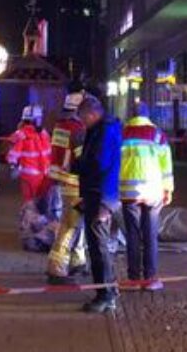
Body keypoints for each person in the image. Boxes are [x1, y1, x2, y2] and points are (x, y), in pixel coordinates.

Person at [119, 103, 173, 291]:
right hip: (152, 192)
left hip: (128, 193)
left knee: (132, 235)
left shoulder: (122, 134)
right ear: (148, 115)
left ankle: (133, 279)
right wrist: (168, 189)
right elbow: (166, 165)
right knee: (150, 235)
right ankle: (150, 278)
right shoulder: (158, 135)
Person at [76, 96, 122, 314]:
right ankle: (108, 290)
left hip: (101, 196)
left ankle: (105, 295)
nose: (82, 123)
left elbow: (100, 164)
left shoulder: (103, 132)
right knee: (98, 245)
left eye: (83, 118)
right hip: (99, 195)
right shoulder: (102, 129)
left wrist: (79, 165)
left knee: (98, 247)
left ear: (92, 114)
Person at [46, 91, 87, 283]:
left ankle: (77, 261)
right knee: (69, 226)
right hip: (75, 182)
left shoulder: (59, 126)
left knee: (75, 223)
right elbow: (81, 159)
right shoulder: (78, 129)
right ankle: (56, 268)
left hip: (62, 180)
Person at [7, 105, 51, 203]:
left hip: (38, 175)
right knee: (34, 205)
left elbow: (12, 155)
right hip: (35, 176)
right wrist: (13, 167)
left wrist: (13, 167)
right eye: (39, 118)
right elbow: (13, 155)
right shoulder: (23, 135)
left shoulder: (42, 133)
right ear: (35, 120)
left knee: (34, 205)